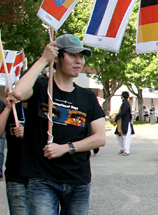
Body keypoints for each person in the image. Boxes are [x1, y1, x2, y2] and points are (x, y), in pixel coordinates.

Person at [13, 34, 106, 215]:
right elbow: (18, 93)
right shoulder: (40, 88)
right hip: (42, 179)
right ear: (57, 57)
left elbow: (100, 138)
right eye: (72, 55)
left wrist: (67, 148)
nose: (79, 61)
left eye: (81, 56)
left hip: (78, 180)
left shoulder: (87, 97)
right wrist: (42, 60)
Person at [0, 95, 29, 214]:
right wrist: (7, 108)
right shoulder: (13, 110)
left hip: (42, 177)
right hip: (17, 175)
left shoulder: (47, 111)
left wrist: (28, 134)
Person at [115, 91, 132, 156]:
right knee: (118, 134)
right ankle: (123, 147)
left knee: (126, 136)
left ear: (123, 96)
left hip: (126, 122)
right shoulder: (124, 103)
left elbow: (123, 112)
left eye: (121, 95)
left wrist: (115, 118)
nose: (120, 97)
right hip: (122, 122)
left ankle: (127, 150)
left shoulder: (126, 104)